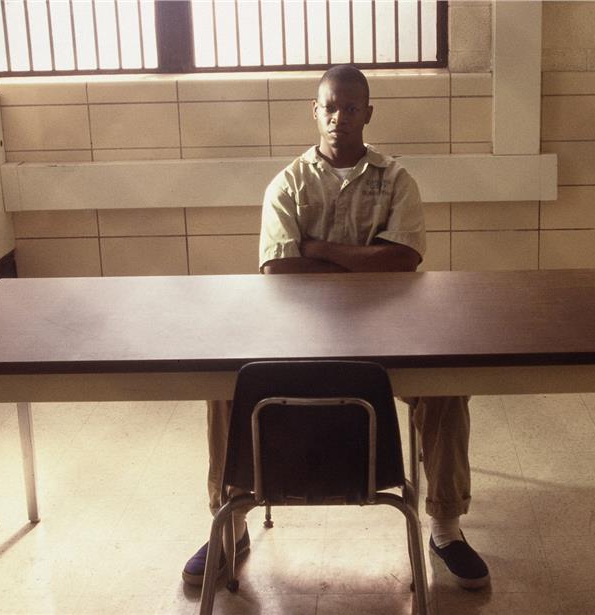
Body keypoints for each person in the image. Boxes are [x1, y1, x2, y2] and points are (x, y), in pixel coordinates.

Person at [183, 65, 489, 591]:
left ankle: (445, 526)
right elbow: (279, 269)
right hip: (296, 331)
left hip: (389, 328)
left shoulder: (396, 179)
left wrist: (319, 249)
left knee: (446, 385)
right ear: (315, 111)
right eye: (329, 107)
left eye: (350, 108)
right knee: (225, 385)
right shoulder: (288, 183)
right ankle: (231, 523)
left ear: (367, 113)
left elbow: (404, 260)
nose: (338, 117)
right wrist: (367, 259)